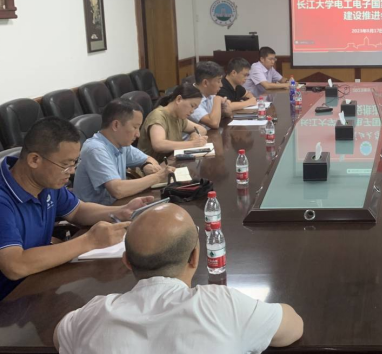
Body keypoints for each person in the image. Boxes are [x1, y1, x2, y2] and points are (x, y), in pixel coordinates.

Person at [54, 203, 304, 353]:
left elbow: (59, 335)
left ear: (127, 261)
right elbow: (293, 328)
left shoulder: (90, 315)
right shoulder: (222, 305)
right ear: (195, 257)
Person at [0, 117, 154, 301]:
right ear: (34, 160)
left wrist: (120, 211)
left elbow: (77, 211)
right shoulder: (3, 198)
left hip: (38, 280)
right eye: (66, 165)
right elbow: (15, 265)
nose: (72, 171)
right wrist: (89, 241)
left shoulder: (46, 182)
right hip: (9, 300)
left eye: (74, 163)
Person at [73, 99, 176, 205]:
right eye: (135, 127)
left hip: (118, 205)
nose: (138, 134)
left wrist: (146, 165)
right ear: (116, 125)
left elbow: (148, 158)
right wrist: (158, 176)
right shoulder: (95, 149)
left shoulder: (121, 144)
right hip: (100, 212)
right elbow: (118, 190)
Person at [138, 84, 208, 163]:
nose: (192, 111)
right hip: (153, 165)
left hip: (170, 161)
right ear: (179, 99)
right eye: (192, 106)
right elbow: (158, 145)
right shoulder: (158, 116)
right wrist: (192, 144)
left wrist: (194, 137)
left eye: (195, 108)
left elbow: (201, 129)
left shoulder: (178, 116)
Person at [189, 61, 232, 130]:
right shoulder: (190, 98)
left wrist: (226, 111)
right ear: (205, 83)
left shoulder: (210, 93)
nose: (221, 85)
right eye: (218, 81)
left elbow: (229, 113)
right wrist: (217, 99)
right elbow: (214, 123)